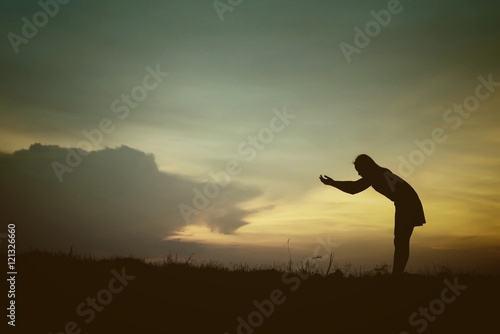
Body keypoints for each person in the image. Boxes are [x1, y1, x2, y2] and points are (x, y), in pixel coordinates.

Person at [319, 154, 425, 275]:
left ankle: (396, 276)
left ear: (366, 167)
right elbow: (355, 187)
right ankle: (397, 274)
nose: (359, 174)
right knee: (401, 240)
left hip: (407, 203)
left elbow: (354, 188)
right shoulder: (379, 173)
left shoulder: (376, 175)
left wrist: (333, 183)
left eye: (359, 170)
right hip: (405, 203)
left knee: (401, 240)